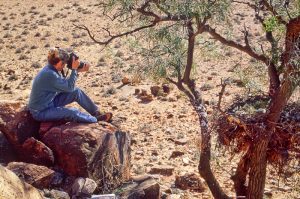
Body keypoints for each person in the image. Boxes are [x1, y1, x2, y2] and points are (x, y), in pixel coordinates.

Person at [28, 47, 112, 123]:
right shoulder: (49, 74)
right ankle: (96, 120)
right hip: (41, 112)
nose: (64, 65)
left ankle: (95, 112)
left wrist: (77, 71)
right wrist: (74, 69)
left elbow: (65, 85)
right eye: (63, 63)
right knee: (71, 112)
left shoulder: (50, 68)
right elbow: (69, 88)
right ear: (59, 62)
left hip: (49, 102)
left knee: (76, 92)